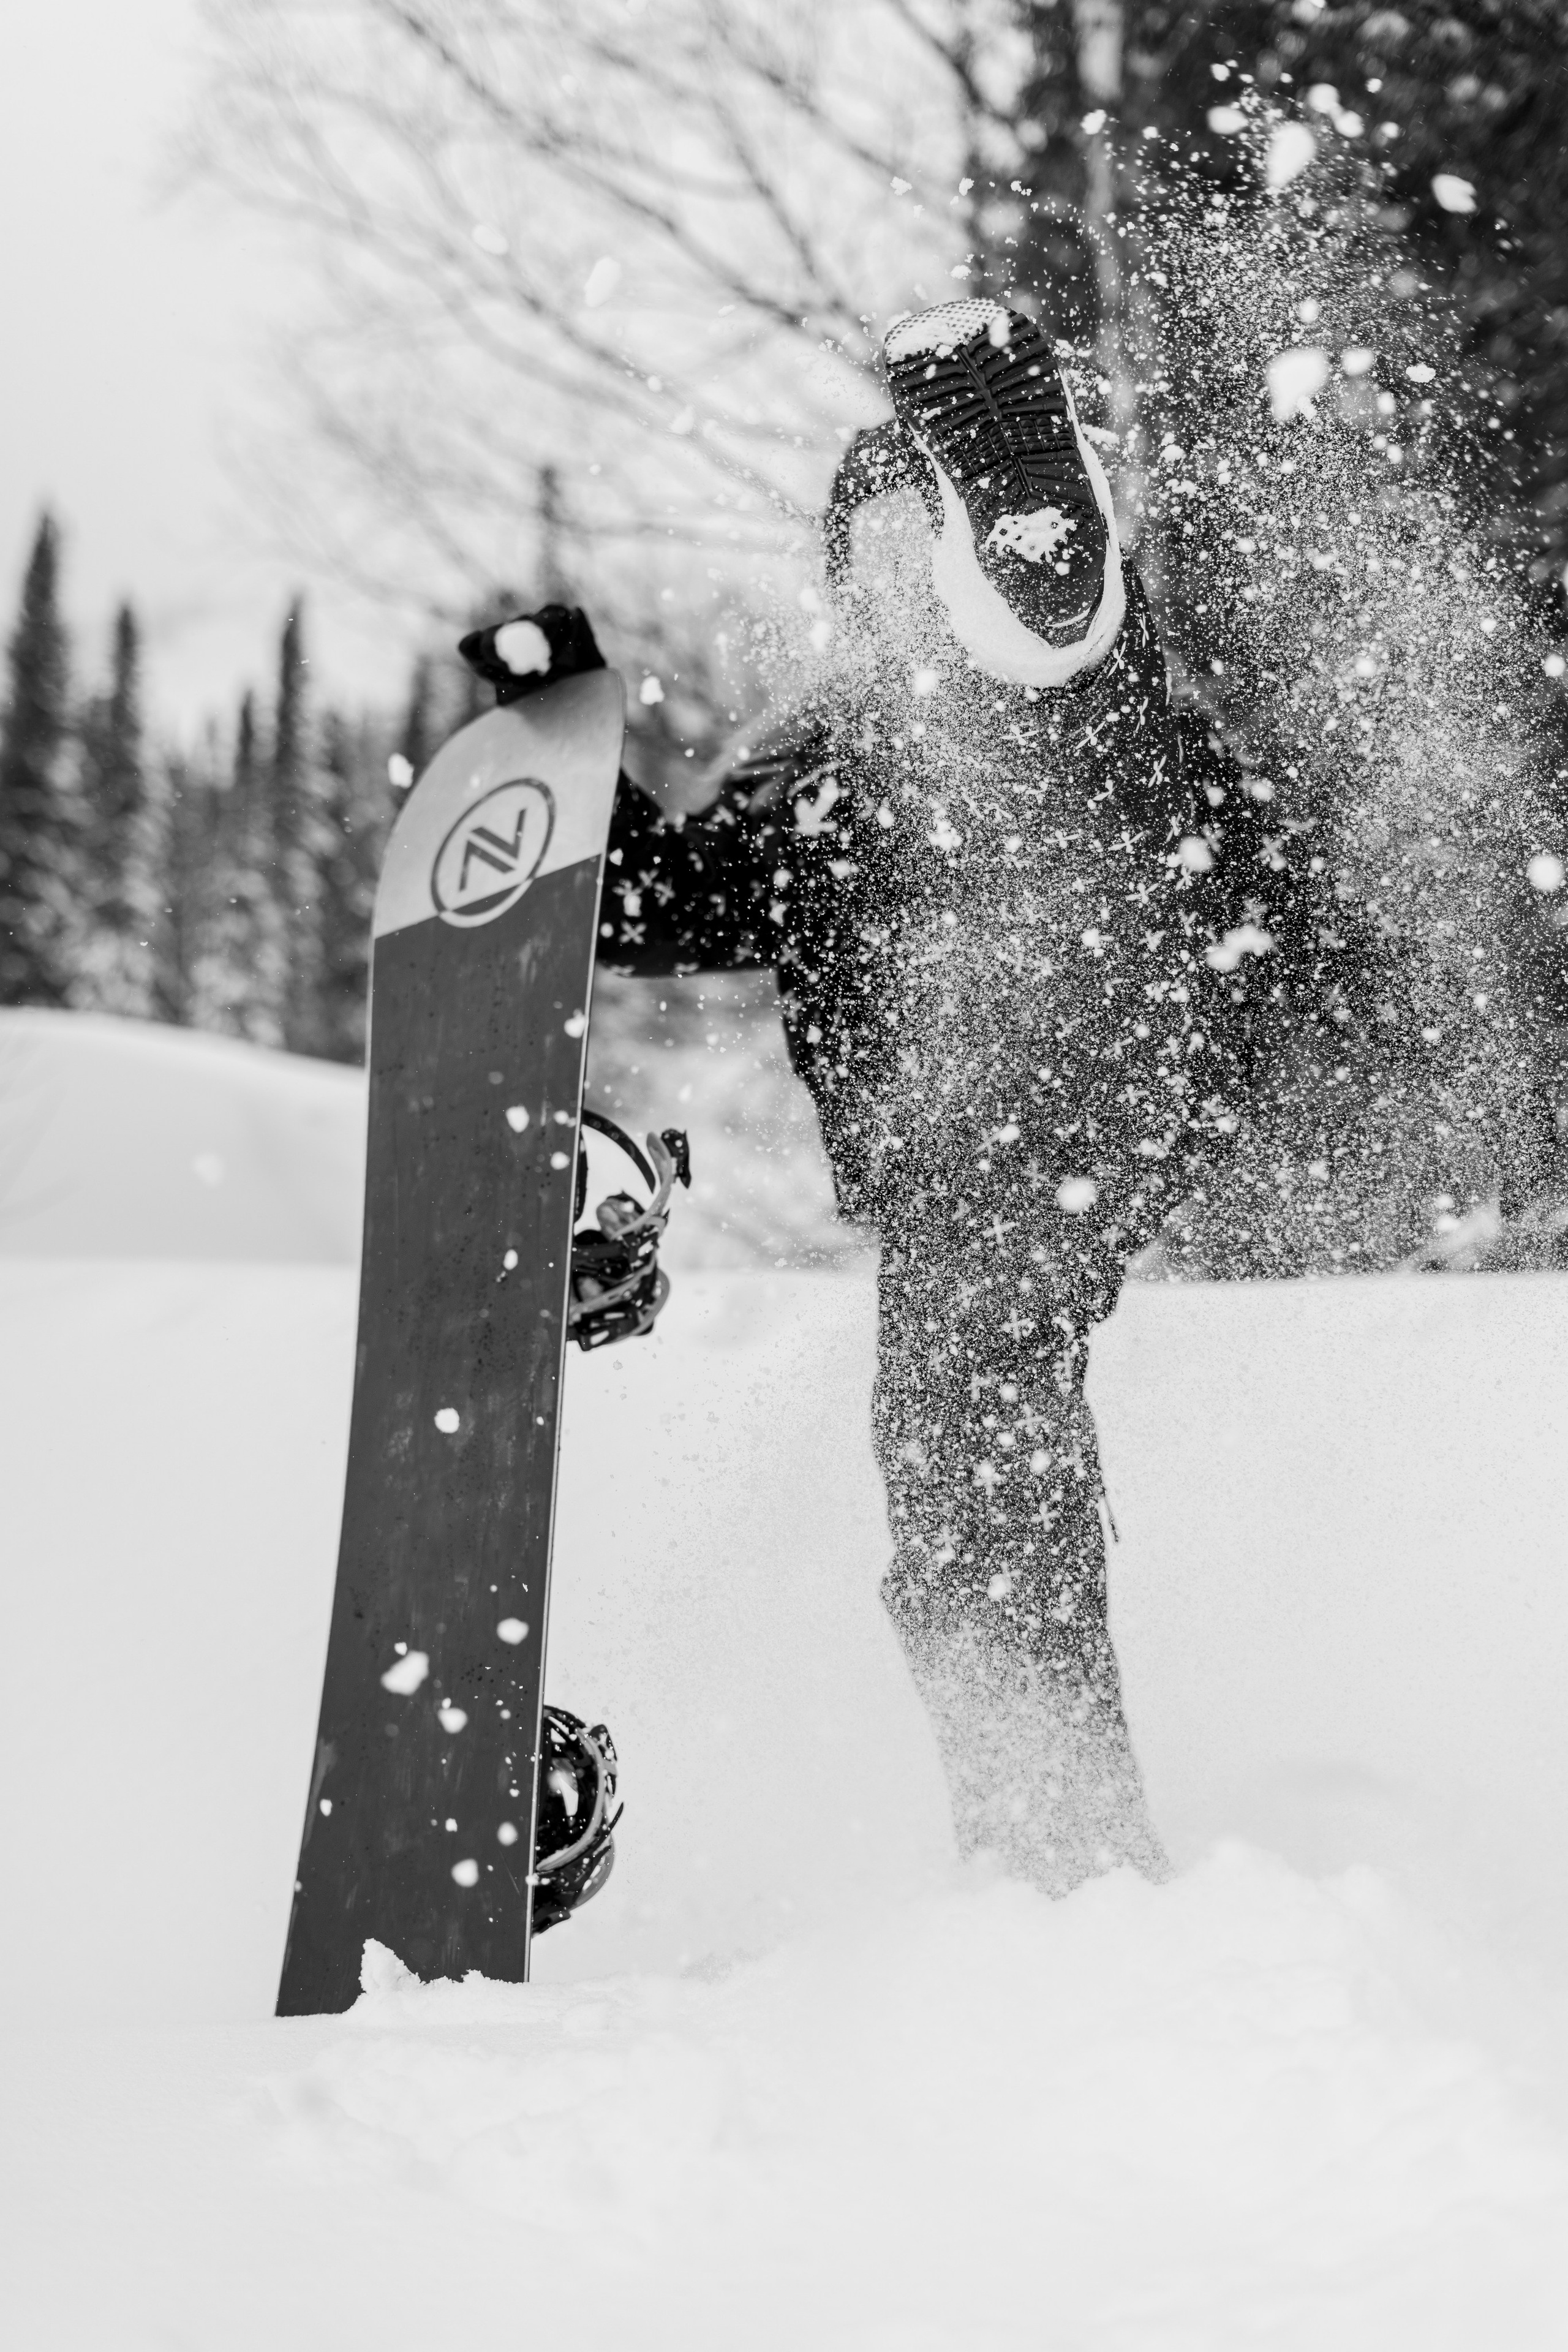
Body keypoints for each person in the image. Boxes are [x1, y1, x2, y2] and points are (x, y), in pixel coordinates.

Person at [458, 296, 1544, 1893]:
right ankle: (1042, 1823)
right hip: (959, 1154)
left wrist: (1328, 977)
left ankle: (1057, 1840)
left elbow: (1212, 830)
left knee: (974, 1419)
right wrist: (555, 740)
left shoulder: (1091, 723)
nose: (900, 587)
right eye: (880, 560)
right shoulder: (825, 772)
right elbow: (661, 906)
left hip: (1095, 1067)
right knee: (955, 1456)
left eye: (930, 547)